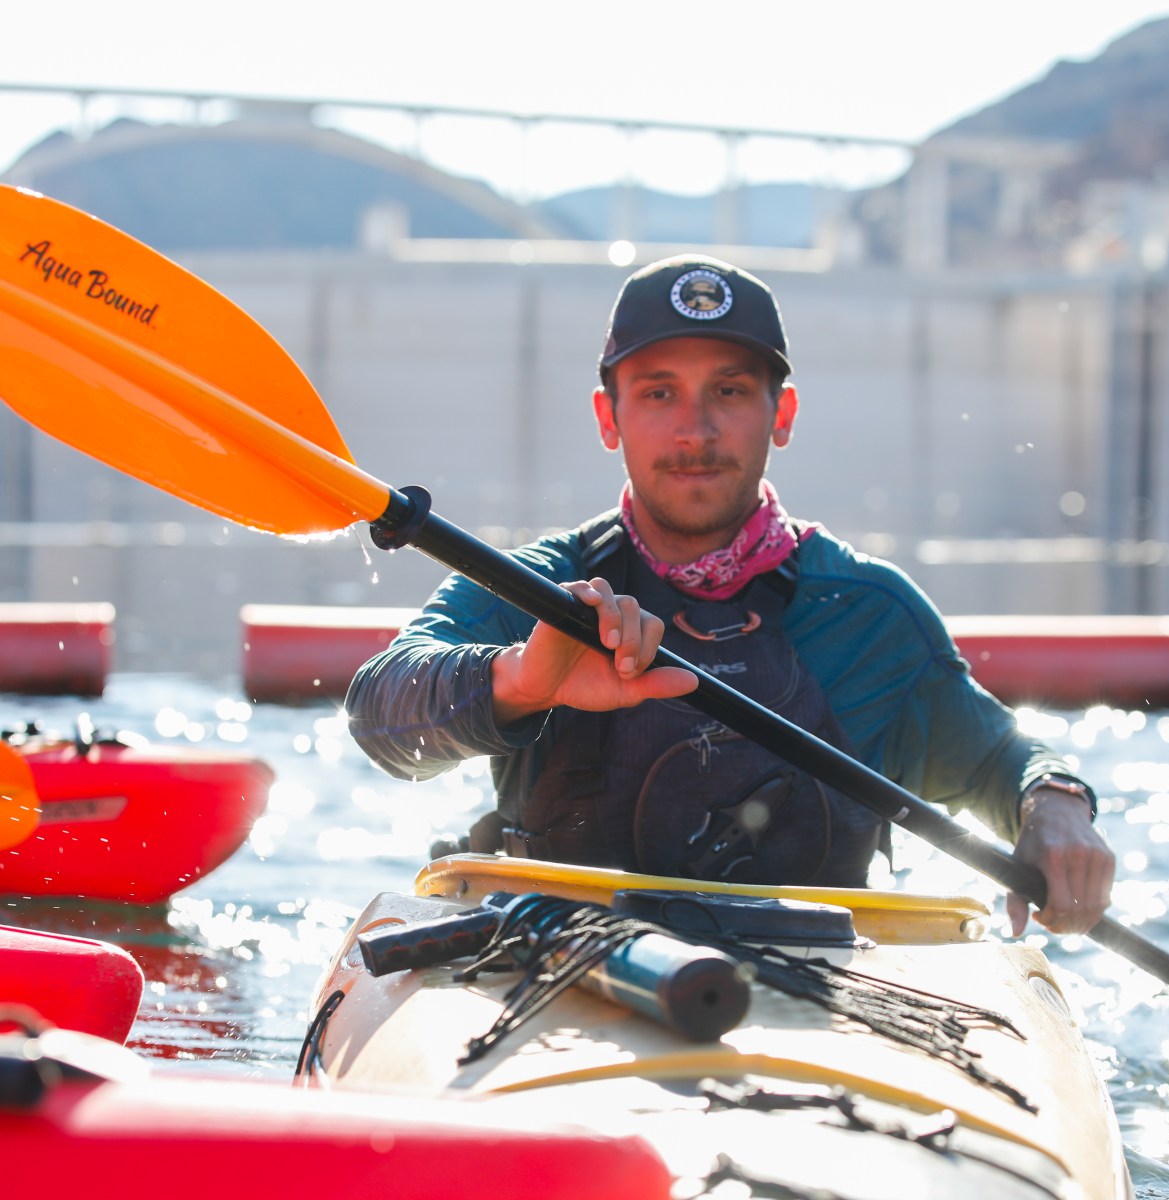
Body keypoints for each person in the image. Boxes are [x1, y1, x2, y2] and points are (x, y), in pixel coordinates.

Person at [346, 254, 1114, 936]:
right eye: (657, 394)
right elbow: (379, 718)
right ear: (608, 418)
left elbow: (998, 759)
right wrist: (519, 681)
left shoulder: (870, 614)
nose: (696, 429)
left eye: (731, 390)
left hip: (825, 990)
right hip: (554, 969)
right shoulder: (540, 591)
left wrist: (1054, 800)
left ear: (781, 414)